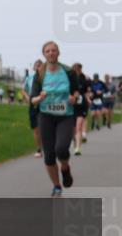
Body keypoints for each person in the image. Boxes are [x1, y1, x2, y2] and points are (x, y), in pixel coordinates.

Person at [30, 42, 80, 197]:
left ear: (58, 53)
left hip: (65, 115)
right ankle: (57, 186)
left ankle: (65, 167)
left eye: (53, 50)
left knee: (61, 148)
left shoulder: (69, 72)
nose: (51, 53)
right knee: (50, 154)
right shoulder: (40, 73)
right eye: (47, 51)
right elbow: (32, 100)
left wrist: (74, 98)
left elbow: (76, 91)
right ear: (44, 54)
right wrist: (40, 97)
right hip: (46, 116)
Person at [23, 61, 43, 157]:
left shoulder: (46, 77)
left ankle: (47, 146)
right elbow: (24, 90)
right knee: (36, 128)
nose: (38, 67)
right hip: (33, 103)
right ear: (34, 67)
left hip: (43, 102)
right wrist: (28, 100)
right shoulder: (29, 78)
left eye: (40, 65)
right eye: (37, 66)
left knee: (44, 126)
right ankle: (39, 149)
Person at [70, 63, 90, 155]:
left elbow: (87, 92)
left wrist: (88, 99)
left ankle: (78, 148)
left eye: (79, 69)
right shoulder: (69, 80)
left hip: (82, 106)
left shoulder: (84, 79)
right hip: (71, 106)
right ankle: (74, 143)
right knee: (73, 128)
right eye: (75, 69)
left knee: (78, 127)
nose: (77, 70)